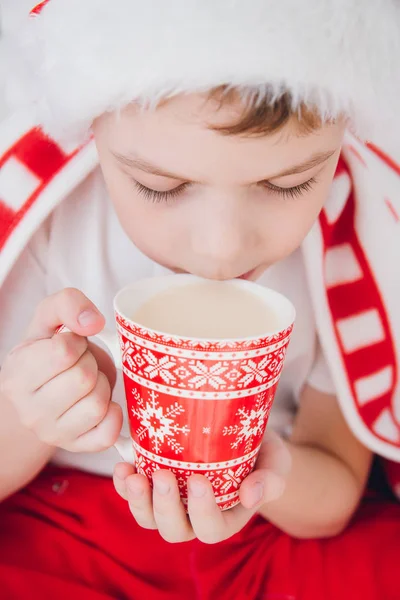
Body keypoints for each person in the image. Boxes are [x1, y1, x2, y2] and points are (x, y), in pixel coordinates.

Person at [0, 1, 399, 598]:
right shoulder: (50, 221)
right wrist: (37, 411)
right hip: (67, 522)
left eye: (287, 183)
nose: (221, 250)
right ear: (92, 129)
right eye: (161, 186)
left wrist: (265, 472)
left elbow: (335, 494)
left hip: (264, 537)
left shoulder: (349, 250)